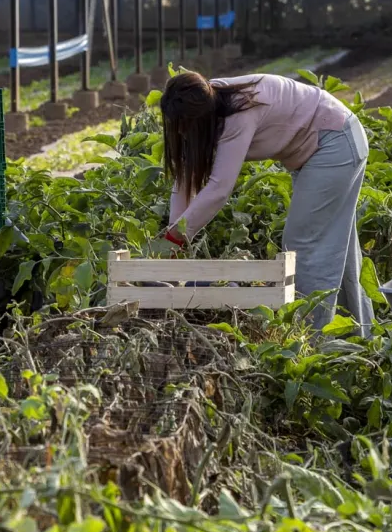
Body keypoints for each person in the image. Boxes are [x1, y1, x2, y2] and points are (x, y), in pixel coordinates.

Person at [158, 71, 371, 336]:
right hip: (324, 145)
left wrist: (176, 238)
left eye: (185, 126)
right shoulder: (203, 100)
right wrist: (174, 237)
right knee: (335, 248)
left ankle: (311, 342)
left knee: (305, 245)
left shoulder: (238, 112)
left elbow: (219, 189)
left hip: (334, 140)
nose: (181, 132)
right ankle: (359, 338)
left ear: (199, 119)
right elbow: (185, 178)